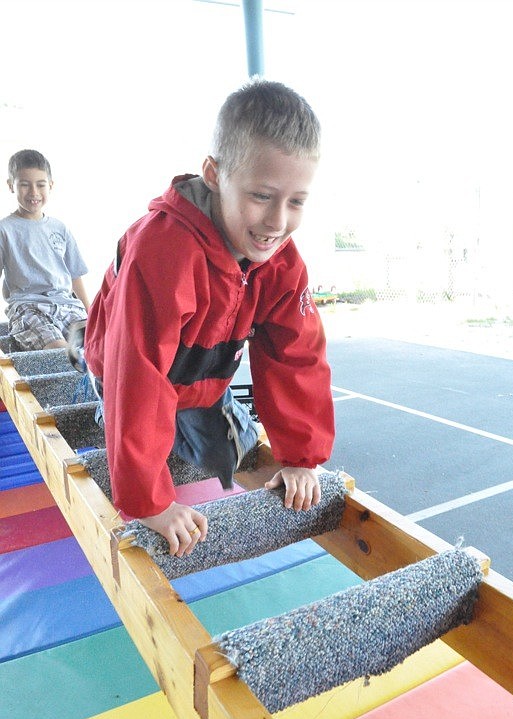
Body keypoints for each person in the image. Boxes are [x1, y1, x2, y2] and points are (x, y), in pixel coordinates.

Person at [84, 78, 335, 558]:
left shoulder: (281, 261)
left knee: (228, 455)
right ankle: (102, 392)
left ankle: (187, 424)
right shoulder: (162, 251)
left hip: (202, 376)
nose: (278, 222)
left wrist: (301, 457)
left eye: (296, 201)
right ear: (214, 173)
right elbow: (135, 372)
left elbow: (296, 356)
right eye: (262, 195)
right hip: (127, 365)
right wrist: (151, 502)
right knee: (132, 435)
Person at [0, 149, 90, 350]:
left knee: (96, 346)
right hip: (27, 308)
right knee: (60, 353)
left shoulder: (60, 228)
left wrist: (92, 314)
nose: (33, 192)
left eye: (40, 184)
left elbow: (75, 276)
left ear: (51, 185)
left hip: (67, 306)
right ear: (10, 186)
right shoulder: (4, 229)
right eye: (24, 184)